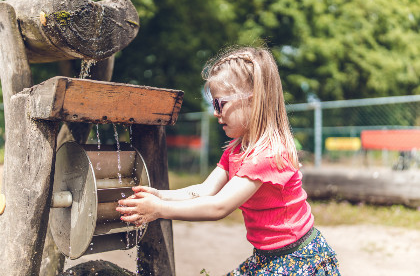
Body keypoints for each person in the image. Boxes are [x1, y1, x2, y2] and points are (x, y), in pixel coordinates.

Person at [116, 46, 341, 275]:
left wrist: (160, 209)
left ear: (252, 101)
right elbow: (205, 190)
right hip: (268, 256)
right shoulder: (236, 150)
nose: (215, 113)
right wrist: (159, 195)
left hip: (297, 258)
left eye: (219, 103)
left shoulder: (267, 154)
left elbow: (219, 206)